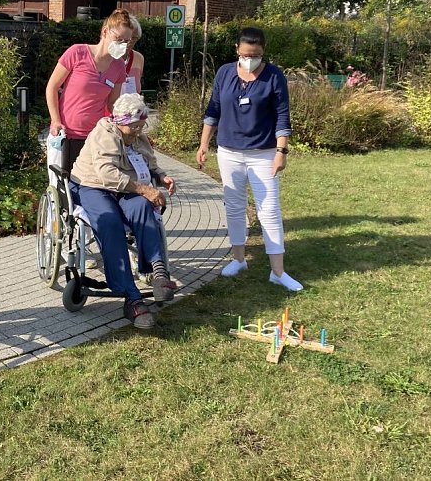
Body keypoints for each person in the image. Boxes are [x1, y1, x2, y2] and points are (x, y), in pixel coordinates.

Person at [196, 26, 303, 291]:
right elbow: (213, 109)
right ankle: (239, 259)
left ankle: (278, 272)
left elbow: (282, 116)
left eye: (255, 55)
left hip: (263, 153)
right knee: (234, 206)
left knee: (269, 210)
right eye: (245, 54)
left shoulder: (274, 76)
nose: (250, 59)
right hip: (229, 152)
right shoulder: (224, 73)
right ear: (237, 49)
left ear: (263, 51)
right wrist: (204, 143)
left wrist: (281, 151)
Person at [70, 93, 177, 329]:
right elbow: (107, 174)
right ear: (120, 121)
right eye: (134, 126)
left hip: (125, 187)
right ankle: (131, 297)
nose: (138, 131)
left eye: (141, 126)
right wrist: (145, 189)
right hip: (92, 185)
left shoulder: (137, 135)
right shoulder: (104, 134)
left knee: (143, 207)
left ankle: (159, 273)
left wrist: (161, 176)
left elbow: (149, 161)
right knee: (110, 222)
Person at [46, 9, 132, 173]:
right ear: (105, 32)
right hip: (66, 134)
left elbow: (113, 103)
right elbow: (52, 87)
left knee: (90, 182)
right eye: (118, 39)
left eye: (126, 41)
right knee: (63, 183)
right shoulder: (77, 53)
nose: (121, 45)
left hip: (95, 137)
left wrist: (127, 123)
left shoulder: (119, 66)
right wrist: (55, 120)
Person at [121, 15, 146, 95]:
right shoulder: (109, 57)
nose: (130, 41)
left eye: (134, 38)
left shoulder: (139, 58)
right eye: (127, 37)